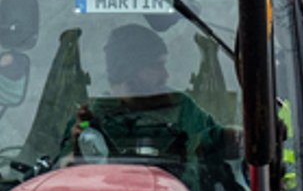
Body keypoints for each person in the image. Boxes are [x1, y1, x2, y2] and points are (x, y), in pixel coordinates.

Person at [77, 23, 226, 164]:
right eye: (156, 66)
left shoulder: (180, 108)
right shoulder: (91, 118)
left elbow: (216, 140)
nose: (165, 75)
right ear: (129, 70)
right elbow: (65, 169)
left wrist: (237, 138)